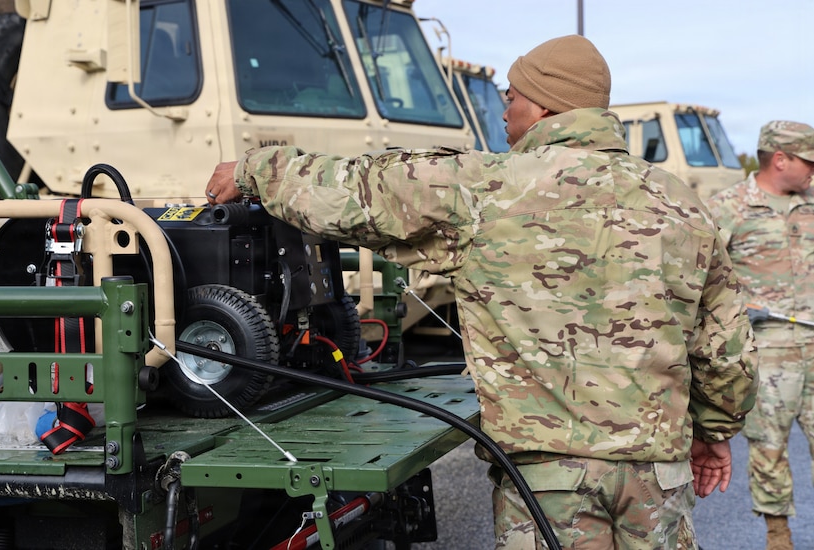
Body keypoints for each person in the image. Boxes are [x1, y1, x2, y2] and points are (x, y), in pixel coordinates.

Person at [206, 35, 758, 549]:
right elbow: (725, 349)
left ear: (544, 106)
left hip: (546, 479)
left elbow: (357, 191)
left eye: (513, 97)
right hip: (656, 477)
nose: (503, 110)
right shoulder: (681, 202)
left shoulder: (486, 189)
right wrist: (712, 432)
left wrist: (257, 169)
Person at [705, 120, 814, 550]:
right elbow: (705, 278)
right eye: (809, 161)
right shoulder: (727, 208)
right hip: (767, 352)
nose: (813, 171)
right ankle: (778, 536)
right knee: (769, 449)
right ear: (780, 159)